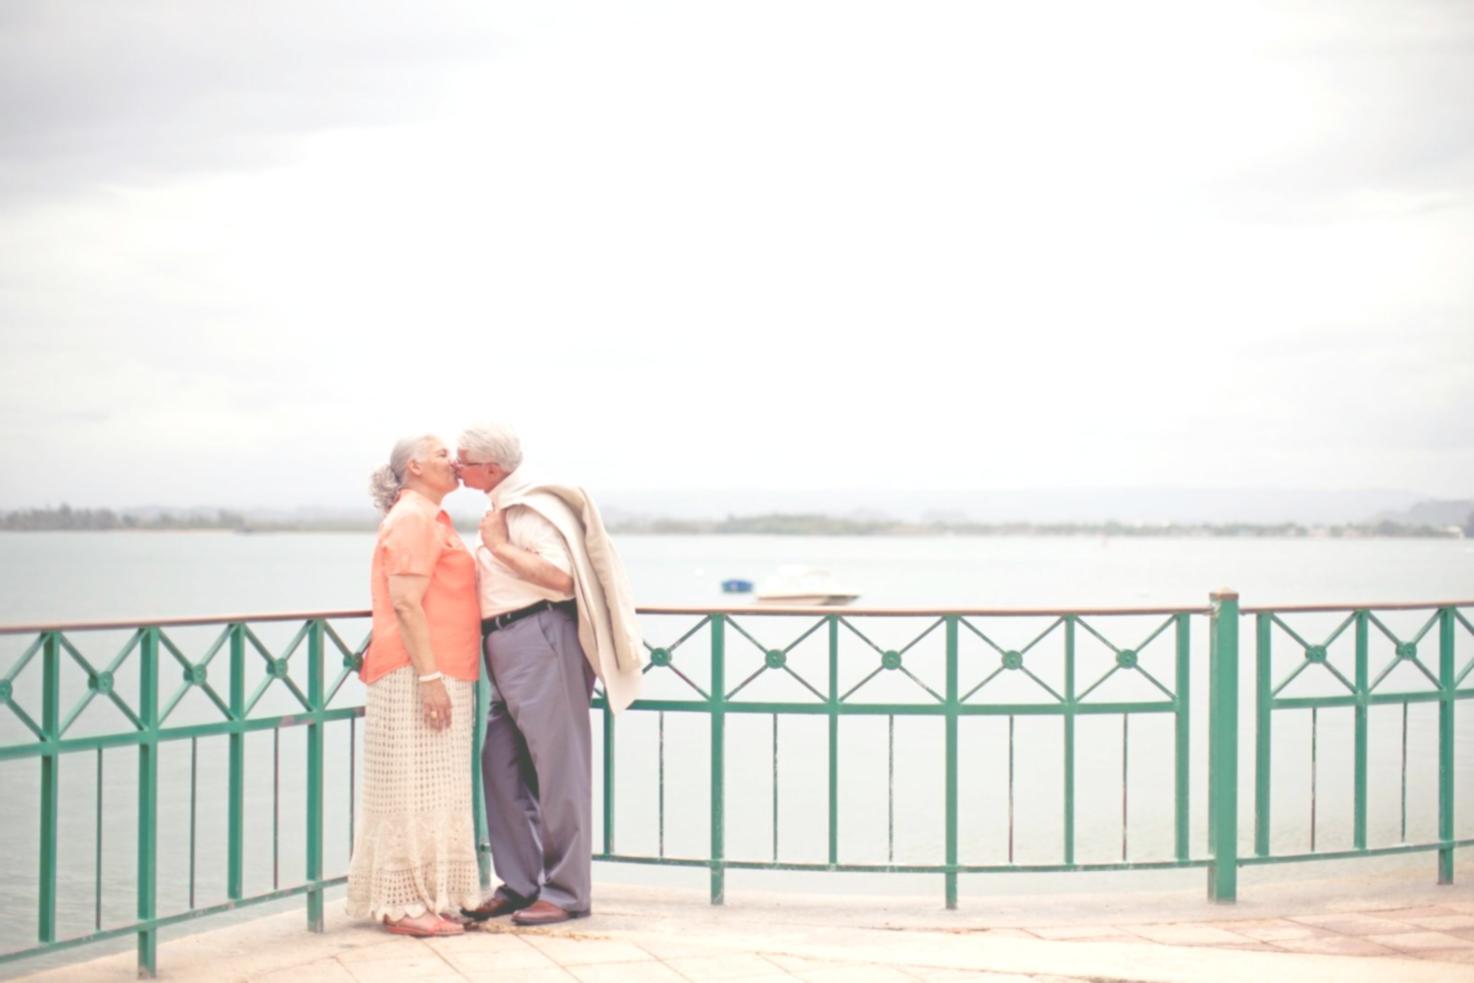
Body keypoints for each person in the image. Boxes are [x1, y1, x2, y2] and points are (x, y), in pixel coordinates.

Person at [456, 422, 644, 926]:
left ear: (490, 467)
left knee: (560, 769)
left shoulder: (529, 509)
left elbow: (561, 580)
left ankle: (565, 893)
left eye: (464, 460)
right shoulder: (504, 503)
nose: (456, 466)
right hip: (507, 643)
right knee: (502, 765)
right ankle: (519, 883)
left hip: (541, 637)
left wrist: (496, 546)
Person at [345, 435, 482, 937]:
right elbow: (406, 603)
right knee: (407, 788)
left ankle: (427, 896)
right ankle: (402, 907)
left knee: (435, 792)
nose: (454, 460)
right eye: (443, 453)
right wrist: (429, 679)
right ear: (416, 467)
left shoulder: (431, 517)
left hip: (444, 670)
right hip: (415, 673)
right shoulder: (412, 519)